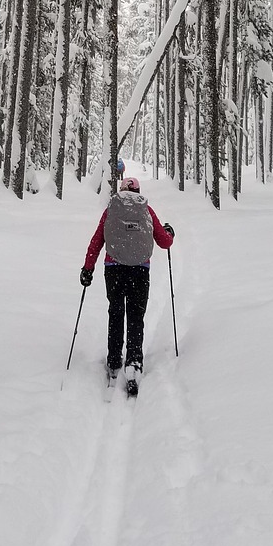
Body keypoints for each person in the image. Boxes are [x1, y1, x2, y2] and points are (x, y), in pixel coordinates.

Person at [80, 161, 174, 391]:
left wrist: (88, 268)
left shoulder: (111, 209)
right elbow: (164, 242)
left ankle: (114, 361)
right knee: (135, 315)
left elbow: (96, 241)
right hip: (139, 270)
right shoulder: (146, 211)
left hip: (114, 269)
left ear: (122, 191)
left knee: (115, 312)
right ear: (138, 193)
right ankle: (133, 362)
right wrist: (170, 233)